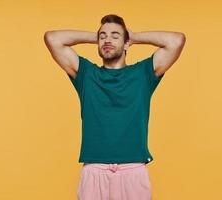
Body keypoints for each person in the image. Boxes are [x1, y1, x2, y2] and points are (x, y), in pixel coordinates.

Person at [44, 14, 186, 200]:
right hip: (94, 170)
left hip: (133, 170)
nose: (107, 40)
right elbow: (52, 38)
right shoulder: (86, 74)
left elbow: (176, 41)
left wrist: (133, 37)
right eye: (103, 36)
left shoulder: (143, 73)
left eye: (115, 36)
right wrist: (97, 37)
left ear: (126, 43)